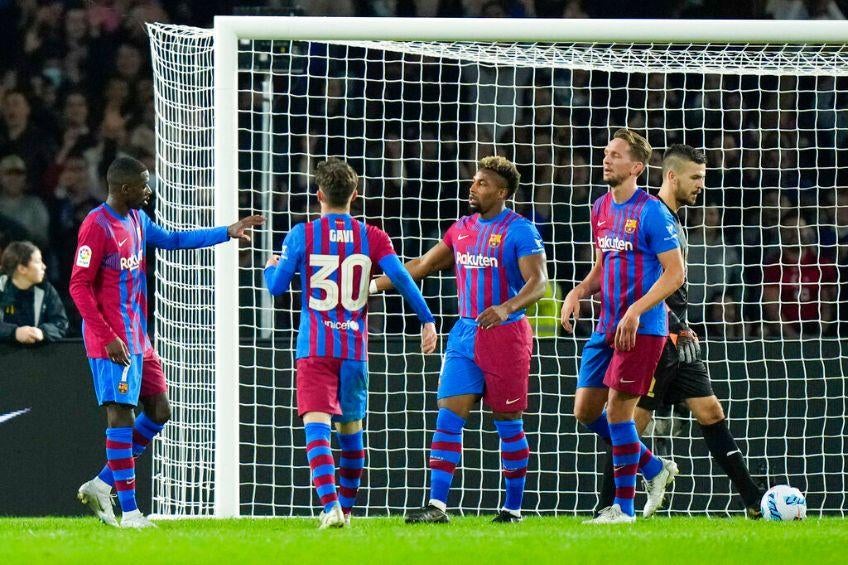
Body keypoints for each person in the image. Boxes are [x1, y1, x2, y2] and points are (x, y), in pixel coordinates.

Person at [69, 156, 264, 528]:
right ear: (124, 189)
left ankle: (101, 484)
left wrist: (227, 231)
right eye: (143, 184)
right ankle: (129, 512)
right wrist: (107, 336)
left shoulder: (138, 220)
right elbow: (78, 285)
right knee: (120, 416)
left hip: (137, 336)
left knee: (159, 411)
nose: (149, 190)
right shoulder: (97, 225)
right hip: (110, 340)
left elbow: (174, 239)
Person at [593, 144, 766, 519]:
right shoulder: (652, 213)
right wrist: (674, 325)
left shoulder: (671, 217)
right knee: (627, 421)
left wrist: (682, 327)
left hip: (677, 337)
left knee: (710, 411)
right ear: (671, 176)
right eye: (695, 178)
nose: (701, 186)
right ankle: (607, 505)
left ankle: (755, 500)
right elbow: (647, 280)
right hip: (657, 336)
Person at [263, 157, 437, 529]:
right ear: (355, 195)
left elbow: (277, 288)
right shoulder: (373, 236)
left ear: (319, 195)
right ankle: (347, 508)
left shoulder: (301, 234)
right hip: (354, 349)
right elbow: (403, 278)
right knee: (351, 430)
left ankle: (330, 509)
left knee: (316, 424)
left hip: (315, 347)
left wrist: (269, 265)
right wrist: (427, 319)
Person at [374, 156, 548, 524]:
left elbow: (539, 282)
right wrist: (372, 285)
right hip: (465, 333)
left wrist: (506, 307)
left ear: (501, 192)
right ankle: (437, 507)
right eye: (474, 181)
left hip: (507, 335)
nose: (473, 187)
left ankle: (512, 509)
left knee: (508, 423)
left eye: (482, 183)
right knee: (448, 417)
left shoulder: (521, 230)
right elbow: (421, 266)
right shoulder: (461, 229)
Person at [560, 129, 685, 524]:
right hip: (607, 325)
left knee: (618, 413)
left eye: (615, 155)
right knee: (585, 410)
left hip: (643, 327)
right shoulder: (599, 207)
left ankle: (624, 510)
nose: (606, 159)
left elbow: (675, 274)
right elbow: (604, 264)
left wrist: (636, 311)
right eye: (605, 153)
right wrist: (578, 290)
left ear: (636, 167)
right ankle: (653, 468)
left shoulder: (651, 211)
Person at [0, 240, 68, 344]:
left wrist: (42, 332)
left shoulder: (46, 290)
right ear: (22, 269)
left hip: (35, 357)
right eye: (38, 261)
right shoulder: (1, 287)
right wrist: (15, 332)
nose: (44, 266)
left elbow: (61, 323)